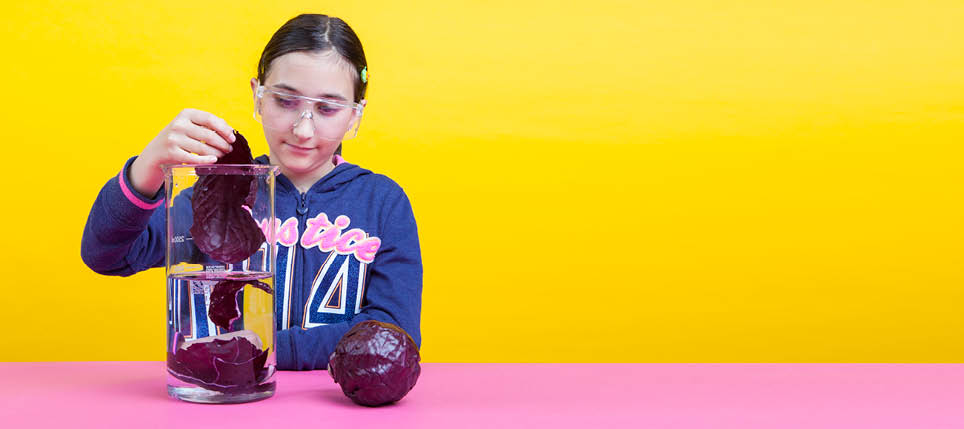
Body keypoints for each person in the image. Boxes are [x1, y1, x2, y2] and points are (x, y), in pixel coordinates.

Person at [80, 14, 422, 371]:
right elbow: (107, 255)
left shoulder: (383, 203)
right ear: (258, 97)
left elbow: (394, 331)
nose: (304, 129)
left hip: (331, 404)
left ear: (355, 115)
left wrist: (268, 346)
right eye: (285, 101)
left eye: (327, 108)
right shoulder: (218, 196)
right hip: (221, 397)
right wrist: (147, 167)